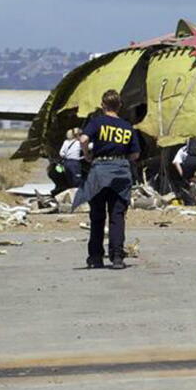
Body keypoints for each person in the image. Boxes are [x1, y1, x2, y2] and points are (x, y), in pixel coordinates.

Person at [72, 90, 140, 269]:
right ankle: (117, 256)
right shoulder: (127, 127)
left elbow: (83, 139)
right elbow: (135, 154)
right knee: (117, 215)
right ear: (119, 106)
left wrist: (87, 155)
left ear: (103, 105)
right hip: (120, 173)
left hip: (100, 171)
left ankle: (95, 257)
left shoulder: (97, 122)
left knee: (97, 216)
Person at [172, 136, 196, 204]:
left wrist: (183, 175)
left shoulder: (182, 149)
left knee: (185, 183)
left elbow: (175, 162)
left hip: (189, 162)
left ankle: (188, 201)